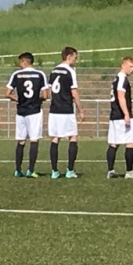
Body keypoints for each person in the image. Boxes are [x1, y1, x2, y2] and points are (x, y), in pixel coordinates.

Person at [5, 52, 49, 177]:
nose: (19, 65)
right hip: (34, 111)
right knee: (34, 140)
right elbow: (46, 95)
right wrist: (37, 100)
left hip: (21, 112)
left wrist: (18, 99)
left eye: (20, 62)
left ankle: (18, 170)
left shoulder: (16, 74)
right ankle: (31, 170)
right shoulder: (40, 74)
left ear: (25, 62)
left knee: (21, 141)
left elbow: (7, 93)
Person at [47, 47, 84, 179]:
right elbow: (74, 92)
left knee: (55, 139)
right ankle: (70, 170)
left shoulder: (53, 70)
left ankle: (54, 171)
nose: (75, 60)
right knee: (72, 137)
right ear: (69, 56)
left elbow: (50, 92)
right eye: (74, 57)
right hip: (66, 109)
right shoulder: (70, 71)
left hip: (54, 110)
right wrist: (80, 110)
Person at [106, 56, 133, 179]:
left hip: (114, 115)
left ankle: (110, 170)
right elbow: (121, 96)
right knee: (130, 143)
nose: (132, 69)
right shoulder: (122, 78)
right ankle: (129, 172)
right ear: (123, 65)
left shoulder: (116, 78)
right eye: (130, 66)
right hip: (121, 116)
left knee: (114, 143)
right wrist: (126, 114)